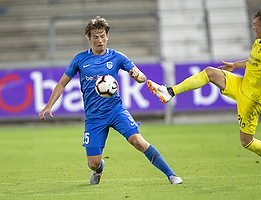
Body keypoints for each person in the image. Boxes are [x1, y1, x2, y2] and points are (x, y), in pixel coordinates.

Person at [147, 9, 261, 182]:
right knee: (210, 72)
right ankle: (170, 91)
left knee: (247, 142)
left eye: (255, 25)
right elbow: (253, 61)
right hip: (242, 85)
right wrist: (235, 65)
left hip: (253, 99)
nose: (253, 27)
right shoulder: (259, 42)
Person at [39, 16, 182, 185]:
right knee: (93, 163)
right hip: (94, 117)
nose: (100, 40)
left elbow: (141, 76)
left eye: (102, 36)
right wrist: (49, 106)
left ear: (107, 35)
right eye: (95, 37)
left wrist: (137, 76)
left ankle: (171, 175)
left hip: (116, 110)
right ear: (89, 38)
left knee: (138, 141)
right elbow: (62, 83)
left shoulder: (117, 57)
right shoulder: (80, 60)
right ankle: (99, 170)